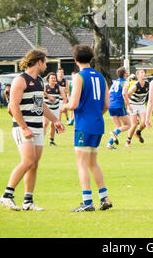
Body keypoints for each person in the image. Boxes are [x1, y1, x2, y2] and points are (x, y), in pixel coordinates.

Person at [0, 49, 65, 211]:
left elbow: (40, 105)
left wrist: (55, 120)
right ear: (39, 62)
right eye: (45, 62)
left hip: (36, 127)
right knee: (27, 161)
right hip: (24, 128)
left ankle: (28, 201)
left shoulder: (40, 81)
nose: (46, 65)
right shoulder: (20, 80)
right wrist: (24, 127)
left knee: (34, 164)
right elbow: (13, 105)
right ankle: (7, 196)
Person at [60, 44, 112, 212]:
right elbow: (106, 105)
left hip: (84, 125)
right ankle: (105, 198)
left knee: (81, 163)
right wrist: (96, 114)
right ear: (91, 58)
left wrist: (64, 107)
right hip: (98, 124)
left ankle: (87, 202)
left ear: (75, 60)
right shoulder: (101, 77)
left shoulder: (79, 77)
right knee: (93, 163)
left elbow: (74, 103)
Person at [106, 67, 132, 149]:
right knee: (128, 125)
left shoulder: (115, 82)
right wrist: (129, 105)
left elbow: (109, 93)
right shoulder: (125, 82)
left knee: (118, 127)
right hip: (119, 105)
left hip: (111, 105)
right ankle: (114, 133)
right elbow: (124, 94)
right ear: (125, 74)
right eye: (127, 71)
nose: (128, 72)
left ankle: (110, 144)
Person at [126, 69, 149, 146]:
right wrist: (127, 106)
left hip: (141, 105)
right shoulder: (135, 86)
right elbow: (126, 95)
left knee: (144, 122)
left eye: (144, 72)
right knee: (134, 124)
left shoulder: (148, 84)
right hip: (132, 105)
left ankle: (138, 132)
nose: (144, 73)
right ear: (138, 76)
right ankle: (128, 140)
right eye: (141, 72)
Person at [43, 72, 67, 146]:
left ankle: (51, 141)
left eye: (54, 78)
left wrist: (63, 106)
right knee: (45, 124)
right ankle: (41, 141)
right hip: (47, 109)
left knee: (53, 125)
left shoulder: (58, 87)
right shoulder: (45, 87)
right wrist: (48, 96)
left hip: (55, 109)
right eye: (52, 78)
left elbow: (65, 98)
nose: (54, 79)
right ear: (48, 79)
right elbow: (41, 93)